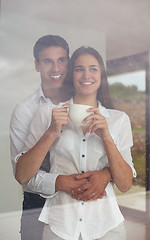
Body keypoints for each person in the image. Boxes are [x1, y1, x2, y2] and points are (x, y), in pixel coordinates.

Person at [15, 46, 136, 240]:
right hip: (59, 227)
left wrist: (106, 137)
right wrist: (52, 131)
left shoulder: (118, 119)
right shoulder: (47, 113)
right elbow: (22, 175)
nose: (86, 74)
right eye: (79, 69)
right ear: (71, 74)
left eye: (93, 69)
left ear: (101, 75)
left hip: (107, 228)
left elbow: (125, 184)